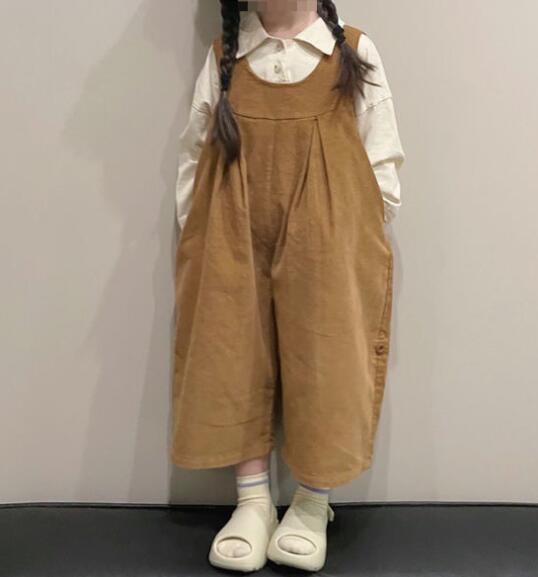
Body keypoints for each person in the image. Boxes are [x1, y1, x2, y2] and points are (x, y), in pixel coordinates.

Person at [171, 0, 405, 572]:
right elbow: (194, 152)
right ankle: (252, 499)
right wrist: (200, 228)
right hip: (231, 221)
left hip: (331, 231)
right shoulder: (225, 58)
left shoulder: (352, 53)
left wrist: (355, 226)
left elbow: (382, 155)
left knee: (327, 352)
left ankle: (312, 500)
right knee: (231, 346)